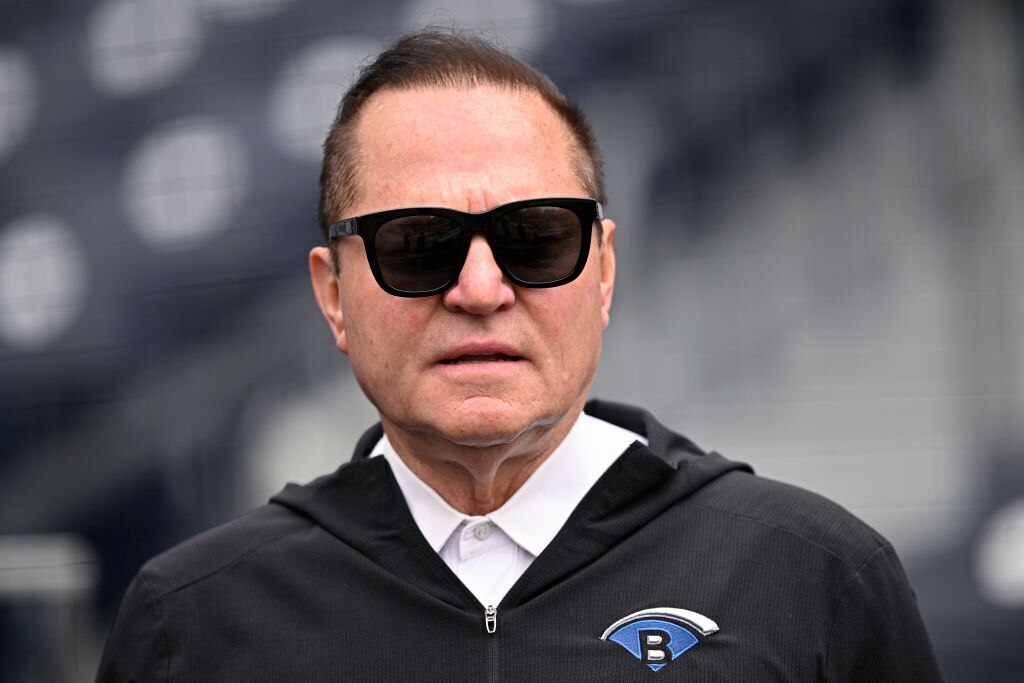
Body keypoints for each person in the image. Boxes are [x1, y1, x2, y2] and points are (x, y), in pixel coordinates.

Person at [97, 29, 943, 681]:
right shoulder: (193, 621)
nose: (479, 288)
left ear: (603, 271)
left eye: (535, 238)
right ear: (332, 294)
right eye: (419, 243)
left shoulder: (815, 578)